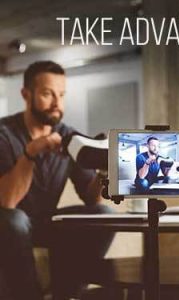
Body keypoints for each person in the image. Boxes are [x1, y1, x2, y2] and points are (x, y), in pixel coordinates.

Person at [0, 61, 113, 300]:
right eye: (47, 94)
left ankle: (67, 293)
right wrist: (31, 152)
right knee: (15, 219)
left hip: (45, 222)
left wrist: (104, 170)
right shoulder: (5, 134)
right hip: (8, 225)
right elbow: (7, 202)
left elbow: (90, 197)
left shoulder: (67, 136)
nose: (57, 104)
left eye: (61, 95)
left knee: (103, 213)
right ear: (25, 94)